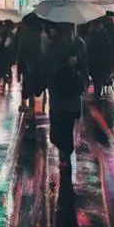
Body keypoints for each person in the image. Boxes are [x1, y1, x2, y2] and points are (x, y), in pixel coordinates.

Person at [46, 23, 88, 164]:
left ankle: (66, 156)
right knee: (57, 129)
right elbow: (49, 68)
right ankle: (63, 151)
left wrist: (78, 65)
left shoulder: (80, 44)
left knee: (68, 127)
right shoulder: (53, 46)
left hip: (72, 93)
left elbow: (85, 66)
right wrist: (65, 64)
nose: (68, 35)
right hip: (57, 92)